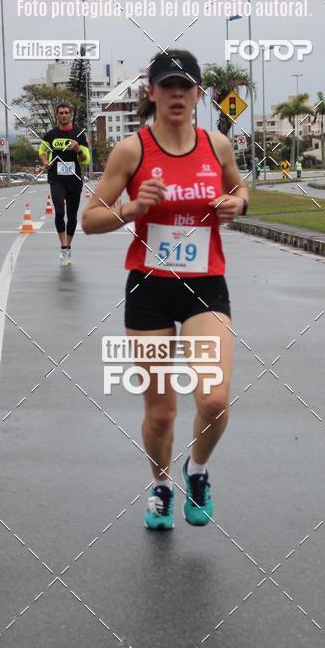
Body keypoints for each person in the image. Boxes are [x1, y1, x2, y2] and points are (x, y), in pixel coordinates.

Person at [82, 50, 247, 530]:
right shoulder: (132, 150)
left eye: (186, 86)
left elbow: (240, 190)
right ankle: (159, 485)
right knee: (161, 413)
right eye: (167, 86)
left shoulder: (216, 145)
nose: (177, 94)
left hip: (205, 287)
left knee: (213, 400)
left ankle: (196, 472)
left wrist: (236, 203)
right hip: (150, 289)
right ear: (151, 93)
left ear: (198, 94)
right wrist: (132, 209)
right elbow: (90, 220)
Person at [39, 103, 90, 265]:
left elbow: (86, 160)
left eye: (67, 112)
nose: (64, 115)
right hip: (57, 179)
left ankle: (69, 246)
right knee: (59, 211)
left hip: (74, 180)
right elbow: (42, 151)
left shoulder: (79, 134)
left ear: (71, 115)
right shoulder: (51, 135)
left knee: (72, 215)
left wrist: (78, 150)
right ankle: (63, 247)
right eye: (61, 113)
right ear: (56, 115)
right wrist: (45, 162)